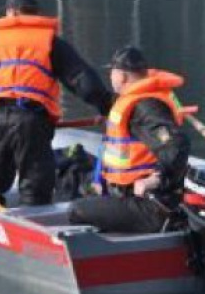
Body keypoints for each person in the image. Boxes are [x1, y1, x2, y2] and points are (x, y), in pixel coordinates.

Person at [0, 0, 113, 206]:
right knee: (35, 186)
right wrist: (107, 105)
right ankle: (32, 228)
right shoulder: (50, 42)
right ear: (36, 13)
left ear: (11, 12)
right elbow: (81, 80)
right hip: (31, 120)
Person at [68, 46, 191, 233]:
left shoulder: (146, 106)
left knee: (76, 211)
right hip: (125, 192)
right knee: (74, 172)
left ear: (122, 76)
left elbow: (176, 144)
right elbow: (103, 100)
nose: (110, 76)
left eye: (112, 72)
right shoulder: (130, 100)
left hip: (150, 205)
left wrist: (155, 179)